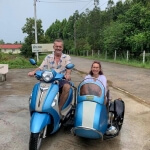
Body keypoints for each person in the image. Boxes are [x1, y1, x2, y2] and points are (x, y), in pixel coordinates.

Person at [28, 39, 72, 114]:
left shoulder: (66, 57)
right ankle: (38, 106)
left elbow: (69, 68)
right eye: (56, 46)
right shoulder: (48, 57)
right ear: (53, 47)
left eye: (60, 46)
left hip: (61, 79)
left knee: (67, 87)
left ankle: (59, 109)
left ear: (62, 47)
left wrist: (67, 74)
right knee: (37, 87)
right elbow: (41, 67)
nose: (58, 48)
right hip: (48, 80)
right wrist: (34, 72)